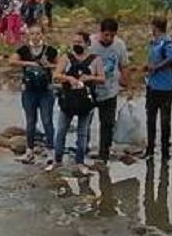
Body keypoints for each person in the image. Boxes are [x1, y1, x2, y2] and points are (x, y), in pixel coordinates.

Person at [49, 30, 102, 169]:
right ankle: (57, 160)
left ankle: (80, 161)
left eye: (79, 42)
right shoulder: (66, 58)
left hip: (86, 102)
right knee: (61, 131)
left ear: (87, 43)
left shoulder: (95, 59)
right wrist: (69, 78)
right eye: (74, 42)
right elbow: (56, 75)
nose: (76, 45)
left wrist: (89, 78)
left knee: (82, 133)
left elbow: (102, 79)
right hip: (68, 100)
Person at [10, 23, 57, 163]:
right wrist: (28, 64)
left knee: (47, 121)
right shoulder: (24, 50)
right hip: (29, 91)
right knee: (30, 121)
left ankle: (50, 152)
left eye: (38, 33)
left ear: (43, 35)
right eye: (32, 34)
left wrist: (49, 65)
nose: (35, 37)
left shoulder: (50, 50)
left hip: (46, 91)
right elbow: (11, 61)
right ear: (28, 35)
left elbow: (61, 65)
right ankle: (29, 151)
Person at [89, 17, 130, 165]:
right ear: (100, 32)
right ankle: (83, 149)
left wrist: (126, 83)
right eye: (106, 35)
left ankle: (103, 155)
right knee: (85, 120)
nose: (109, 38)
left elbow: (124, 65)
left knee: (107, 123)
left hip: (110, 90)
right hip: (91, 89)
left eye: (112, 35)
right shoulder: (90, 43)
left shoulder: (119, 45)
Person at [143, 17, 172, 161]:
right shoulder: (154, 42)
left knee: (164, 119)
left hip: (165, 87)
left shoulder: (166, 42)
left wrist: (155, 68)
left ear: (155, 27)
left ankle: (165, 151)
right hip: (152, 85)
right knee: (150, 118)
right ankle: (150, 149)